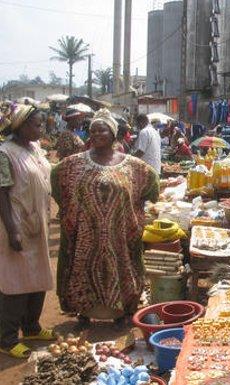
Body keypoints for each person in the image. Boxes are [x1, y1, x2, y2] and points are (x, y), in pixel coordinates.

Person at [51, 109, 159, 330]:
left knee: (120, 268)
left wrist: (137, 206)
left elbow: (151, 184)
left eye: (102, 129)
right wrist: (69, 209)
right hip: (86, 235)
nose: (97, 133)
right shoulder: (74, 163)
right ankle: (84, 313)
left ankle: (120, 312)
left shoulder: (131, 165)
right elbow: (57, 181)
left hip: (118, 234)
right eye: (93, 130)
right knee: (83, 269)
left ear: (113, 133)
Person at [0, 104, 56, 359]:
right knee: (15, 282)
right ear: (20, 125)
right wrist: (12, 231)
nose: (40, 128)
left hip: (37, 223)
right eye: (36, 124)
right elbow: (1, 194)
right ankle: (7, 338)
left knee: (38, 277)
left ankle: (31, 327)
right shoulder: (5, 153)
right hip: (17, 224)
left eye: (41, 124)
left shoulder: (34, 149)